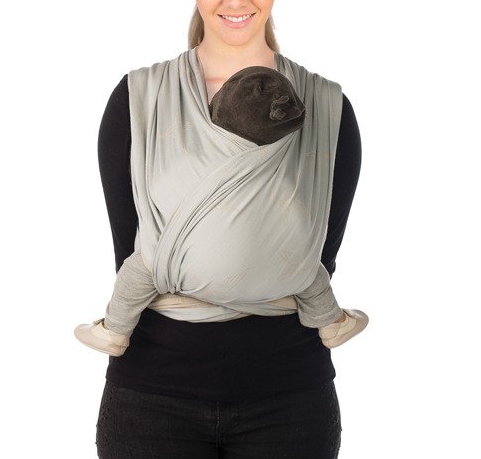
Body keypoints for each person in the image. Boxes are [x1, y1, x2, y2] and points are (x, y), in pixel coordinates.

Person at [90, 0, 365, 459]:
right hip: (151, 398)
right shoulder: (139, 101)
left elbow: (314, 256)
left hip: (289, 399)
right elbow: (131, 254)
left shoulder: (327, 110)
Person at [74, 65, 368, 357]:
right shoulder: (291, 171)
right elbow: (322, 242)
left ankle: (115, 330)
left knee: (142, 266)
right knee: (309, 269)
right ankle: (332, 322)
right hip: (283, 298)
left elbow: (128, 232)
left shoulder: (182, 155)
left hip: (173, 313)